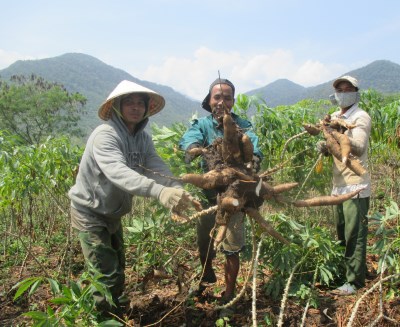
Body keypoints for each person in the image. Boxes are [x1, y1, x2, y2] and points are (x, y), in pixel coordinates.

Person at [68, 80, 194, 315]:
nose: (135, 108)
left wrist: (175, 187)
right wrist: (159, 191)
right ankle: (102, 317)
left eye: (140, 103)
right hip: (90, 213)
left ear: (147, 108)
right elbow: (118, 171)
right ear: (117, 106)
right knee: (105, 272)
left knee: (118, 267)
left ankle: (115, 310)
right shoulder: (105, 135)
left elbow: (155, 166)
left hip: (113, 213)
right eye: (129, 103)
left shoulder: (143, 138)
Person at [179, 78, 263, 305]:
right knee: (205, 243)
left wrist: (251, 160)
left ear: (233, 101)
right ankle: (206, 279)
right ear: (209, 100)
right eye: (217, 97)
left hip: (234, 196)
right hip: (208, 195)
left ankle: (228, 293)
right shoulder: (201, 125)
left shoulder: (243, 125)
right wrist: (194, 149)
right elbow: (188, 140)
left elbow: (254, 147)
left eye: (227, 97)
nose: (222, 102)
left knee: (231, 248)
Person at [324, 75, 371, 295]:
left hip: (356, 185)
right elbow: (331, 143)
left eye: (347, 89)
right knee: (341, 233)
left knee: (355, 234)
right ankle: (346, 273)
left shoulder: (361, 117)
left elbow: (359, 147)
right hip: (337, 184)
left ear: (356, 92)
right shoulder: (334, 116)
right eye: (339, 90)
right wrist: (324, 141)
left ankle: (355, 282)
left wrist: (338, 133)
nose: (343, 93)